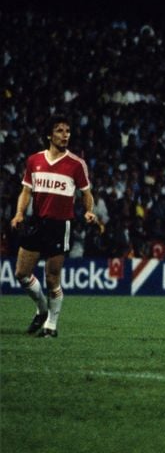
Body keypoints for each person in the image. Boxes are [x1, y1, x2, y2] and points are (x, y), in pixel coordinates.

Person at [11, 116, 97, 337]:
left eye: (68, 130)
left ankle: (51, 326)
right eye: (59, 130)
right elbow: (26, 191)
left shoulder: (76, 164)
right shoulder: (34, 161)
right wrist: (20, 212)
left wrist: (89, 211)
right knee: (21, 273)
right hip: (38, 222)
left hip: (61, 225)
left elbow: (86, 194)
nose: (65, 134)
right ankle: (41, 309)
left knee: (52, 277)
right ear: (49, 135)